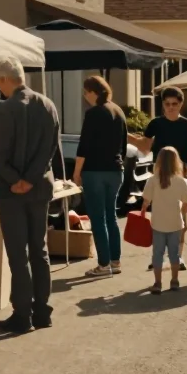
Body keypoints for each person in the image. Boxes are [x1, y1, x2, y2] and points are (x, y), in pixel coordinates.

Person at [0, 57, 63, 334]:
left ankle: (22, 313)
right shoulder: (48, 105)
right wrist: (30, 179)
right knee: (39, 250)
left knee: (18, 253)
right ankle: (42, 310)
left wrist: (15, 180)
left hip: (12, 192)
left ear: (6, 79)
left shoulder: (5, 110)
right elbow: (50, 149)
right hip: (40, 187)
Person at [128, 86, 187, 271]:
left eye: (174, 104)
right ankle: (158, 257)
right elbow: (145, 147)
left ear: (181, 104)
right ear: (162, 105)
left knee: (181, 219)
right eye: (167, 104)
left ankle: (178, 257)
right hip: (159, 177)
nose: (171, 107)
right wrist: (125, 135)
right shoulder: (156, 124)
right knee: (158, 219)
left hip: (181, 176)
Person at [75, 75, 127, 278]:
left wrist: (76, 172)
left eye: (85, 92)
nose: (85, 96)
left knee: (98, 218)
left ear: (93, 92)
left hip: (95, 170)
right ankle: (115, 260)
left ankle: (104, 264)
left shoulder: (93, 113)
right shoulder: (119, 111)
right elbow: (123, 144)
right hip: (115, 169)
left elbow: (84, 146)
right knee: (111, 216)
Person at [139, 147, 187, 294]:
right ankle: (174, 281)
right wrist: (184, 220)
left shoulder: (152, 181)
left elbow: (146, 202)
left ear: (159, 162)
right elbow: (186, 204)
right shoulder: (182, 182)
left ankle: (158, 283)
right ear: (176, 162)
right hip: (176, 223)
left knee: (157, 254)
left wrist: (142, 213)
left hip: (158, 224)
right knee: (174, 254)